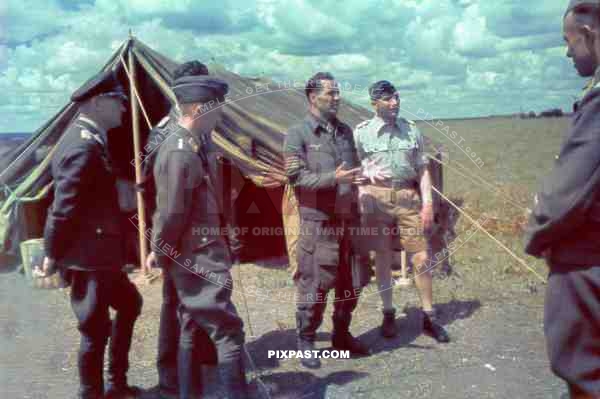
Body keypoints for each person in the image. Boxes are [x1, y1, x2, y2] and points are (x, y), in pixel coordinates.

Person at [37, 69, 143, 399]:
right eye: (119, 102)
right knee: (95, 331)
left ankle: (116, 383)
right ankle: (94, 393)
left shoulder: (92, 138)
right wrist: (52, 254)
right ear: (99, 102)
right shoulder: (82, 145)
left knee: (129, 304)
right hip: (88, 257)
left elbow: (91, 193)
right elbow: (63, 207)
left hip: (100, 254)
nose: (124, 109)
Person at [146, 74, 247, 398]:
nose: (220, 116)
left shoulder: (190, 145)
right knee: (228, 333)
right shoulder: (179, 151)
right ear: (200, 108)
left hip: (196, 252)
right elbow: (171, 213)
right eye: (217, 109)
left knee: (190, 324)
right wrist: (161, 252)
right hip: (198, 257)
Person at [525, 1, 600, 397]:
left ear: (588, 33)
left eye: (569, 41)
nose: (568, 52)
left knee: (584, 372)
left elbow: (564, 199)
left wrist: (538, 230)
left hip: (587, 264)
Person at [284, 72, 370, 369]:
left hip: (349, 221)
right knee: (316, 285)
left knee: (354, 280)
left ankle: (341, 334)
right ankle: (305, 340)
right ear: (312, 97)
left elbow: (353, 169)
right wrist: (332, 178)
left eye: (338, 93)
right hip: (319, 224)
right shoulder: (298, 133)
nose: (337, 98)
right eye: (330, 93)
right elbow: (295, 177)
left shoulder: (345, 132)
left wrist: (362, 177)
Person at [354, 80, 450, 343]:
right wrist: (362, 194)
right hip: (376, 198)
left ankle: (429, 316)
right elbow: (355, 170)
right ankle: (388, 313)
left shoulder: (411, 130)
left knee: (420, 257)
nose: (394, 103)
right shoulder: (361, 133)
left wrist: (428, 203)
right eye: (387, 99)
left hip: (408, 197)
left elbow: (422, 169)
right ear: (374, 103)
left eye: (396, 97)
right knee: (382, 256)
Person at [141, 60, 212, 399]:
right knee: (174, 305)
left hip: (199, 229)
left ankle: (201, 357)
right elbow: (153, 182)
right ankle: (169, 375)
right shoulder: (165, 130)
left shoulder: (203, 125)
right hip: (174, 227)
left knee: (200, 300)